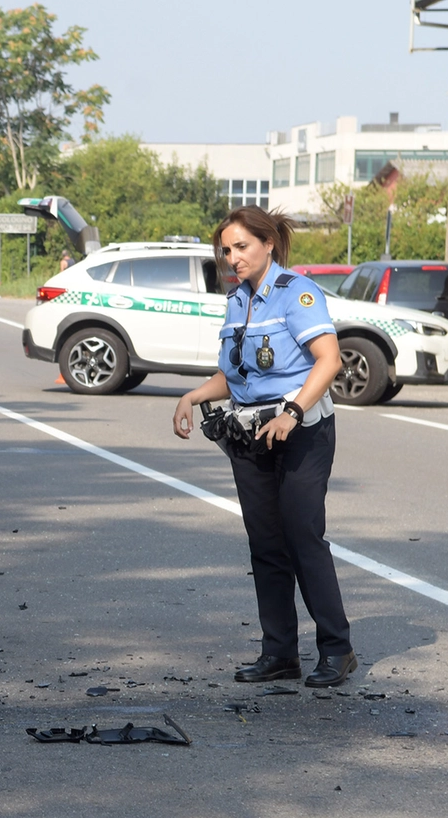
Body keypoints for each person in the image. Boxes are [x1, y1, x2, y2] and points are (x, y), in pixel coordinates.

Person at [172, 206, 357, 688]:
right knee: (266, 546)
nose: (232, 257)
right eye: (226, 250)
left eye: (241, 247)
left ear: (268, 243)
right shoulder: (237, 301)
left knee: (302, 536)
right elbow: (235, 375)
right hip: (252, 433)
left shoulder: (296, 292)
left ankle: (337, 650)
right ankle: (280, 654)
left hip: (301, 431)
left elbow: (328, 360)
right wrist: (193, 395)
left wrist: (293, 412)